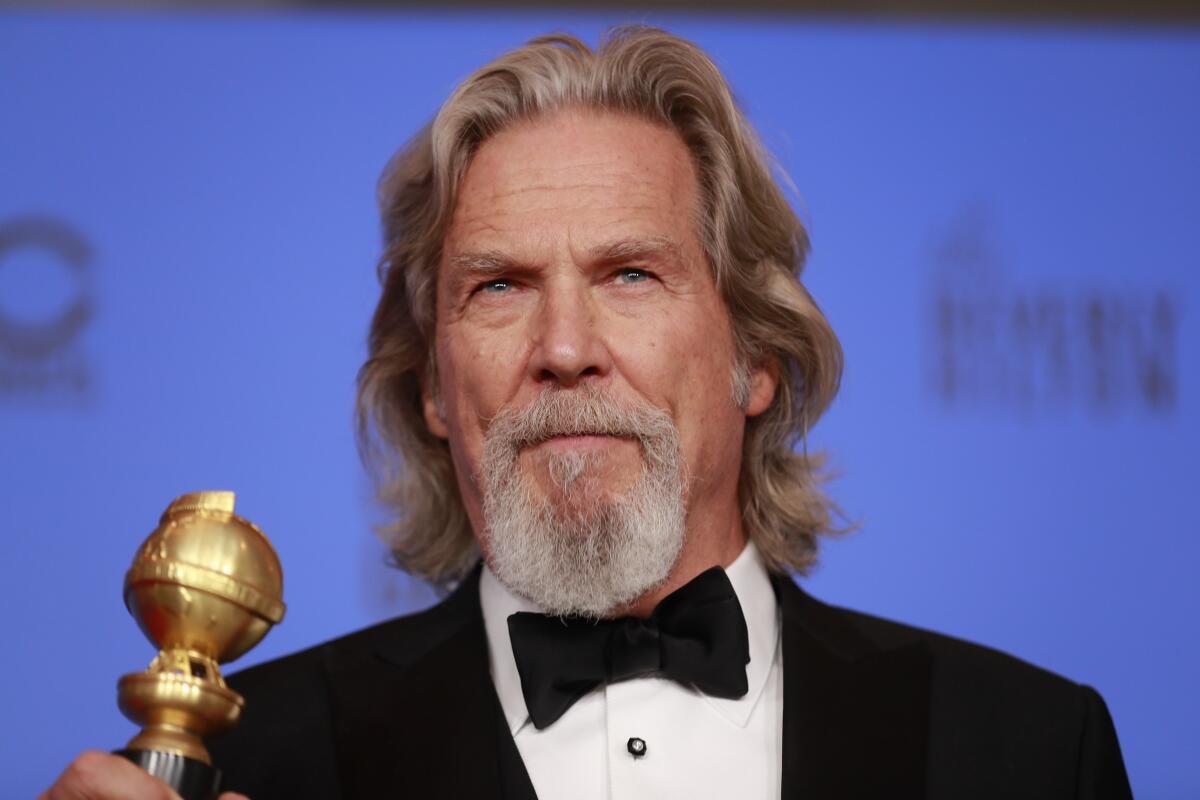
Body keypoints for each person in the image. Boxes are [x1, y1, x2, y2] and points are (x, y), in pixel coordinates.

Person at [42, 26, 1131, 800]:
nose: (564, 349)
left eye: (630, 275)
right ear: (430, 383)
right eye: (499, 286)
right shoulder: (252, 764)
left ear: (757, 351)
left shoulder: (1028, 749)